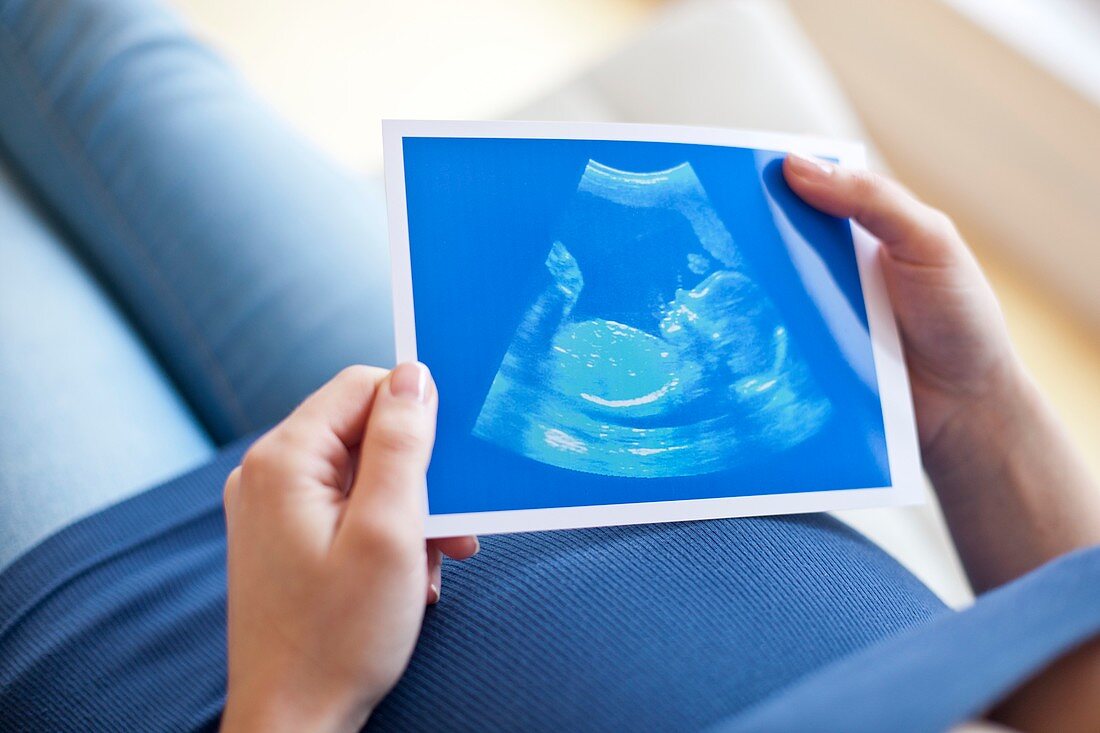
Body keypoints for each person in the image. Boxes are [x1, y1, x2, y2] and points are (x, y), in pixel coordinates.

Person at [0, 1, 1097, 731]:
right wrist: (969, 407)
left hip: (193, 661)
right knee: (90, 43)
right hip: (468, 413)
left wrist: (295, 696)